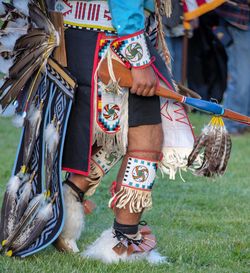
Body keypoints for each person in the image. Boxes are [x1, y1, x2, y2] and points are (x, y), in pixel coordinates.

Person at [47, 0, 179, 263]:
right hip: (111, 37)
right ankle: (122, 244)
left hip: (81, 33)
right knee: (146, 138)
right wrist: (138, 59)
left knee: (113, 135)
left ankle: (67, 200)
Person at [216, 0, 250, 134]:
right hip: (239, 21)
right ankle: (231, 124)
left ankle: (244, 121)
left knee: (244, 76)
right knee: (242, 76)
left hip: (241, 20)